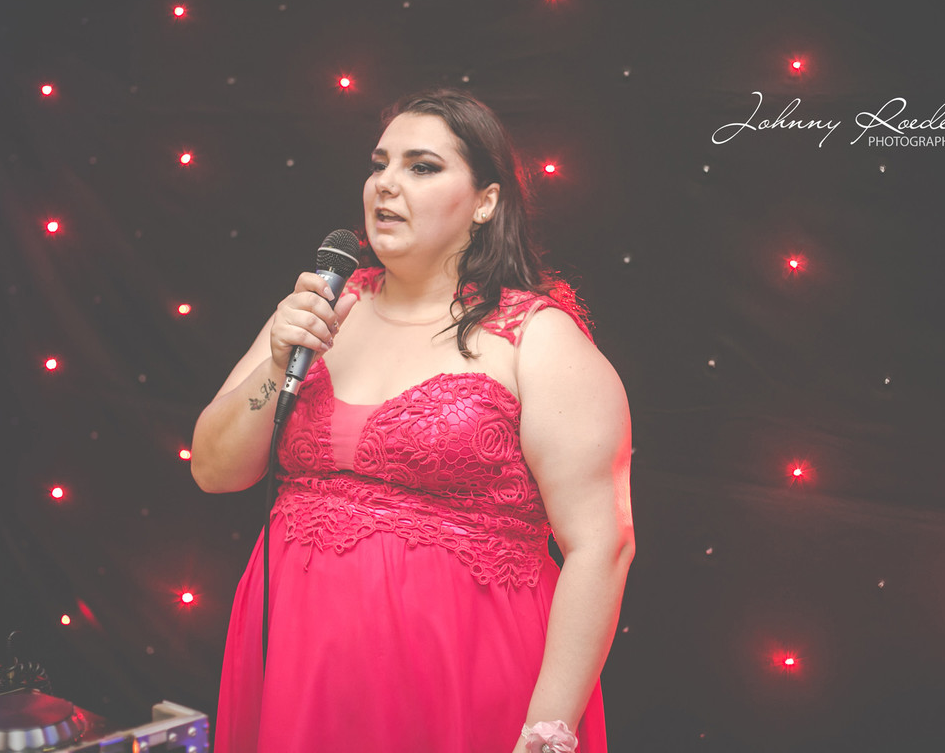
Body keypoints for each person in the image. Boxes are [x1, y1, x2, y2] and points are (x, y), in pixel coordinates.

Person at [191, 89, 634, 753]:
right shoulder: (324, 309)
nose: (386, 184)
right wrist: (279, 360)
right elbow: (214, 471)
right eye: (379, 164)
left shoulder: (537, 339)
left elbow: (603, 546)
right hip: (299, 662)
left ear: (485, 201)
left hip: (461, 671)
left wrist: (548, 728)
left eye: (421, 166)